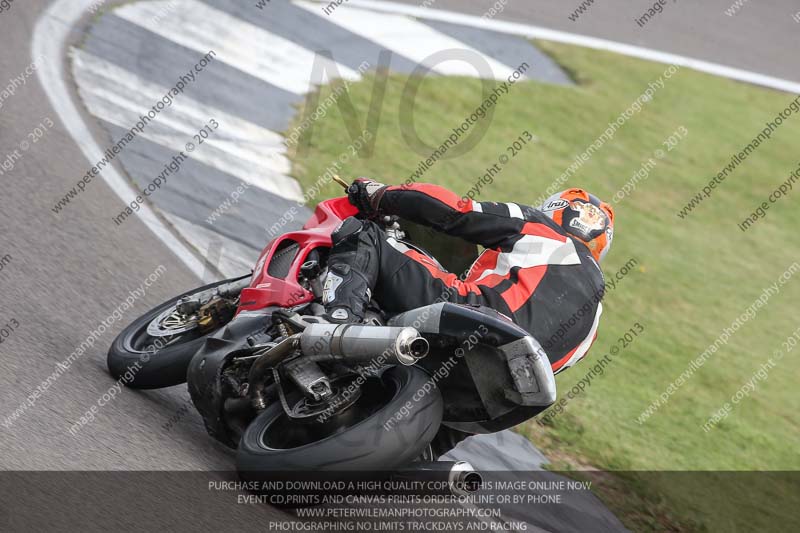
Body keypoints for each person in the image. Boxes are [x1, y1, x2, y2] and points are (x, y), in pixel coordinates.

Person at [322, 179, 614, 375]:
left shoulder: (541, 228)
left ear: (553, 210)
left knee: (364, 235)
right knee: (437, 442)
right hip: (510, 385)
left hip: (474, 318)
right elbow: (559, 367)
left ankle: (337, 327)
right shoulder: (597, 315)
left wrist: (380, 194)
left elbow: (457, 211)